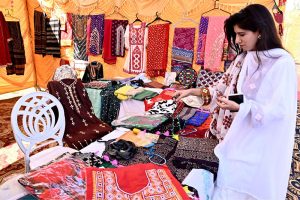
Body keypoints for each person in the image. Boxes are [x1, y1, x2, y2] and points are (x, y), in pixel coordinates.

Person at [174, 4, 297, 200]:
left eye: (242, 34)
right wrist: (192, 90)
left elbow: (279, 111)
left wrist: (242, 107)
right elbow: (220, 89)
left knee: (249, 185)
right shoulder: (243, 58)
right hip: (229, 135)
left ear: (260, 31)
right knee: (228, 184)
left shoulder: (281, 64)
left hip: (256, 143)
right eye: (236, 35)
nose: (237, 41)